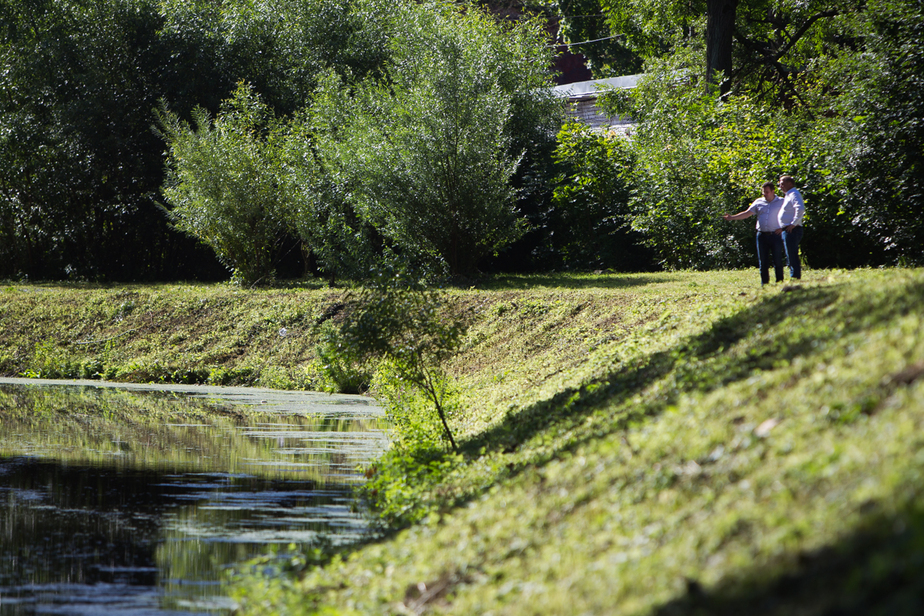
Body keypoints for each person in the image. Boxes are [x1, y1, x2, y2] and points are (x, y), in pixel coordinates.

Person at [723, 182, 785, 285]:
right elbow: (747, 214)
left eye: (767, 192)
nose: (765, 194)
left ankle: (780, 282)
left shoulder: (782, 202)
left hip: (775, 235)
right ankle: (764, 284)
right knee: (763, 261)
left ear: (773, 191)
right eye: (763, 192)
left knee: (777, 260)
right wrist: (732, 217)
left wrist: (783, 228)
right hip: (762, 235)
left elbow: (791, 214)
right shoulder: (758, 202)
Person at [776, 175, 805, 280]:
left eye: (782, 183)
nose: (780, 185)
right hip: (788, 229)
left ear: (790, 184)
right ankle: (794, 275)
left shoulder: (794, 194)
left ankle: (795, 276)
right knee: (790, 254)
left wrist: (793, 223)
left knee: (792, 254)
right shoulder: (788, 195)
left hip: (792, 230)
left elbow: (800, 208)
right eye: (780, 183)